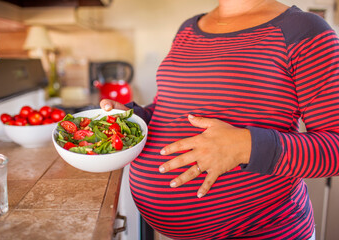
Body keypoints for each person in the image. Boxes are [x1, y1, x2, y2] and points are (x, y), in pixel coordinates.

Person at [100, 0, 339, 239]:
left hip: (266, 232)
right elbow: (169, 110)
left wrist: (246, 147)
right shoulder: (188, 29)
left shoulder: (304, 30)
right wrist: (133, 118)